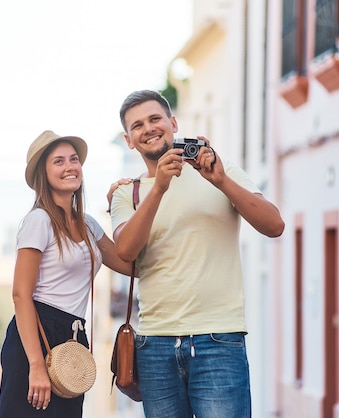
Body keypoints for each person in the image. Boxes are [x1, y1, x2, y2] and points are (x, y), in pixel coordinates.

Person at [108, 90, 285, 418]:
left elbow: (274, 225)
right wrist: (158, 186)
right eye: (137, 125)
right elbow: (126, 250)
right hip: (154, 344)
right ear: (129, 140)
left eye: (155, 118)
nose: (148, 128)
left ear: (173, 123)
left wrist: (221, 181)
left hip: (218, 339)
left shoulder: (220, 169)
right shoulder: (125, 193)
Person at [0, 130, 133, 417]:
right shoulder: (39, 221)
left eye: (73, 159)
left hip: (73, 337)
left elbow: (129, 265)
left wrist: (123, 206)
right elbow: (21, 294)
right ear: (43, 174)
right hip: (36, 333)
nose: (70, 166)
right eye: (58, 161)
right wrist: (36, 365)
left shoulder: (89, 225)